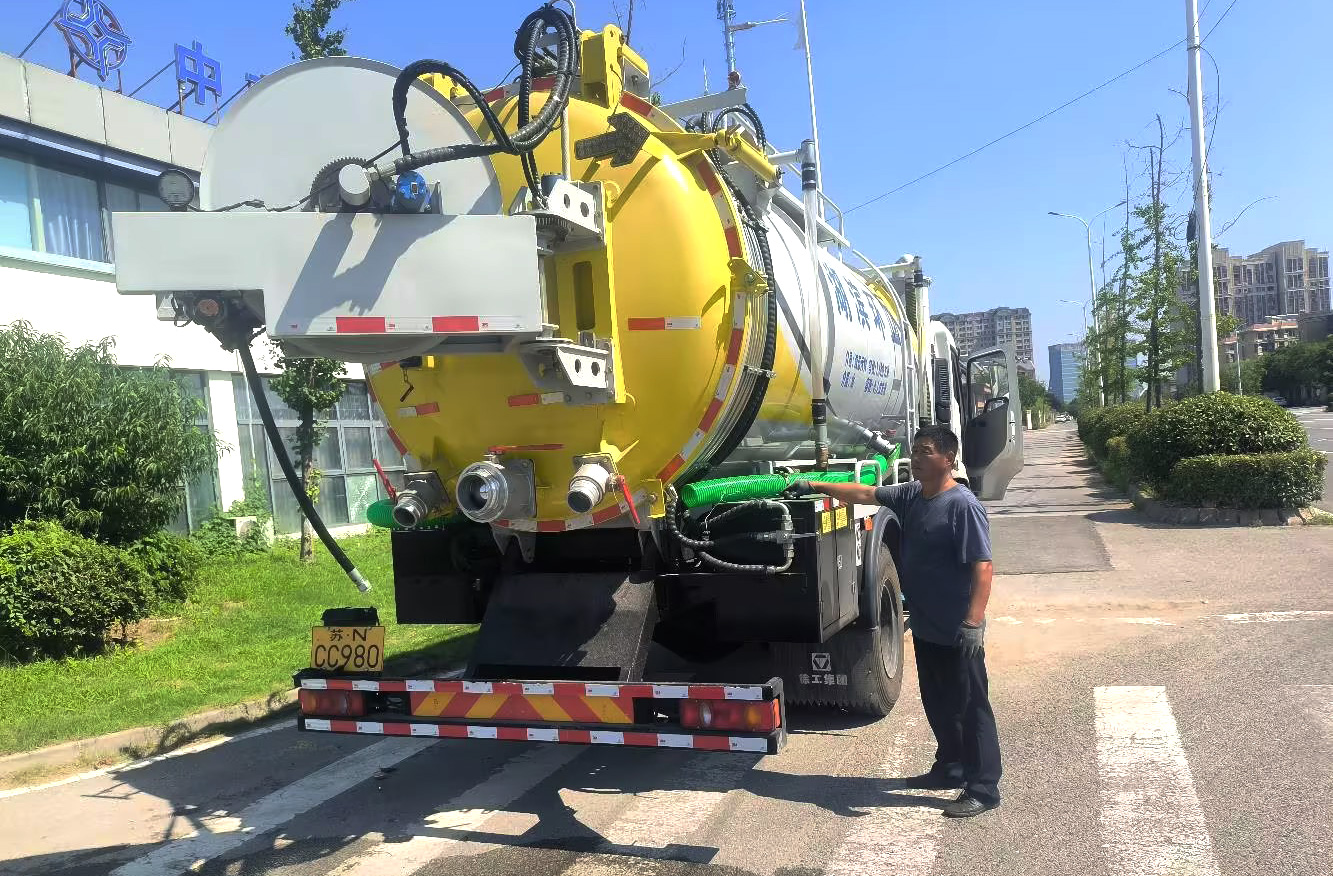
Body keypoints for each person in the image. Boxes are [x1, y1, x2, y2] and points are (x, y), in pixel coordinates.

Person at [783, 424, 1001, 818]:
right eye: (915, 450)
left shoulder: (963, 506)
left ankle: (983, 789)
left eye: (926, 451)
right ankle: (950, 767)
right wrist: (814, 485)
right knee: (939, 703)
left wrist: (974, 623)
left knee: (971, 708)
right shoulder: (912, 495)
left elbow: (983, 567)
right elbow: (865, 493)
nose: (916, 458)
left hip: (957, 630)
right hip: (927, 627)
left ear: (949, 459)